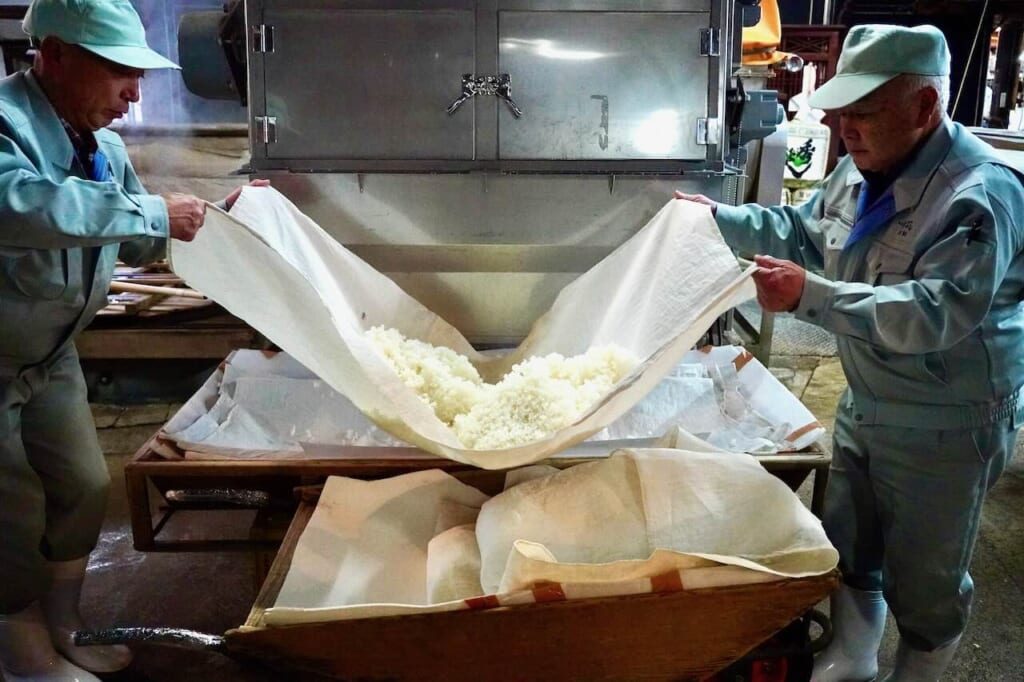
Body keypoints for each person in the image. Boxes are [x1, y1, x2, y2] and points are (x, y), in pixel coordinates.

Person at [677, 24, 1024, 682]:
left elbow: (936, 313)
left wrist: (814, 296)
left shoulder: (978, 198)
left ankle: (918, 666)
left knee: (928, 569)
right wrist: (716, 219)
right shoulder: (861, 169)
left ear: (924, 108)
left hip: (947, 418)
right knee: (849, 540)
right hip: (869, 400)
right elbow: (804, 231)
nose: (846, 129)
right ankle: (855, 655)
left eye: (863, 113)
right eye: (841, 114)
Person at [0, 1, 264, 680]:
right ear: (53, 55)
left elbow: (139, 236)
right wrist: (152, 209)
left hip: (50, 357)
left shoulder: (104, 145)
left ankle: (64, 619)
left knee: (84, 486)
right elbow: (21, 205)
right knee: (11, 508)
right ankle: (21, 648)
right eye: (118, 71)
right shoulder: (5, 128)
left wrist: (215, 219)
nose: (134, 94)